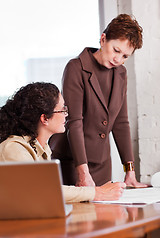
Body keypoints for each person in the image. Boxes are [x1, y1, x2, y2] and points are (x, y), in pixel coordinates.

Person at [49, 14, 148, 188]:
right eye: (116, 50)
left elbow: (121, 122)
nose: (118, 59)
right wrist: (83, 173)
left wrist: (130, 171)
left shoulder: (121, 74)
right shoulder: (76, 68)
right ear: (103, 39)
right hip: (73, 163)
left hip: (102, 165)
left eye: (125, 56)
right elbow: (74, 122)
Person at [0, 82, 125, 203]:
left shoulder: (42, 148)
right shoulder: (13, 148)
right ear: (44, 118)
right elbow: (43, 191)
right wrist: (97, 193)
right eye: (62, 109)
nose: (66, 114)